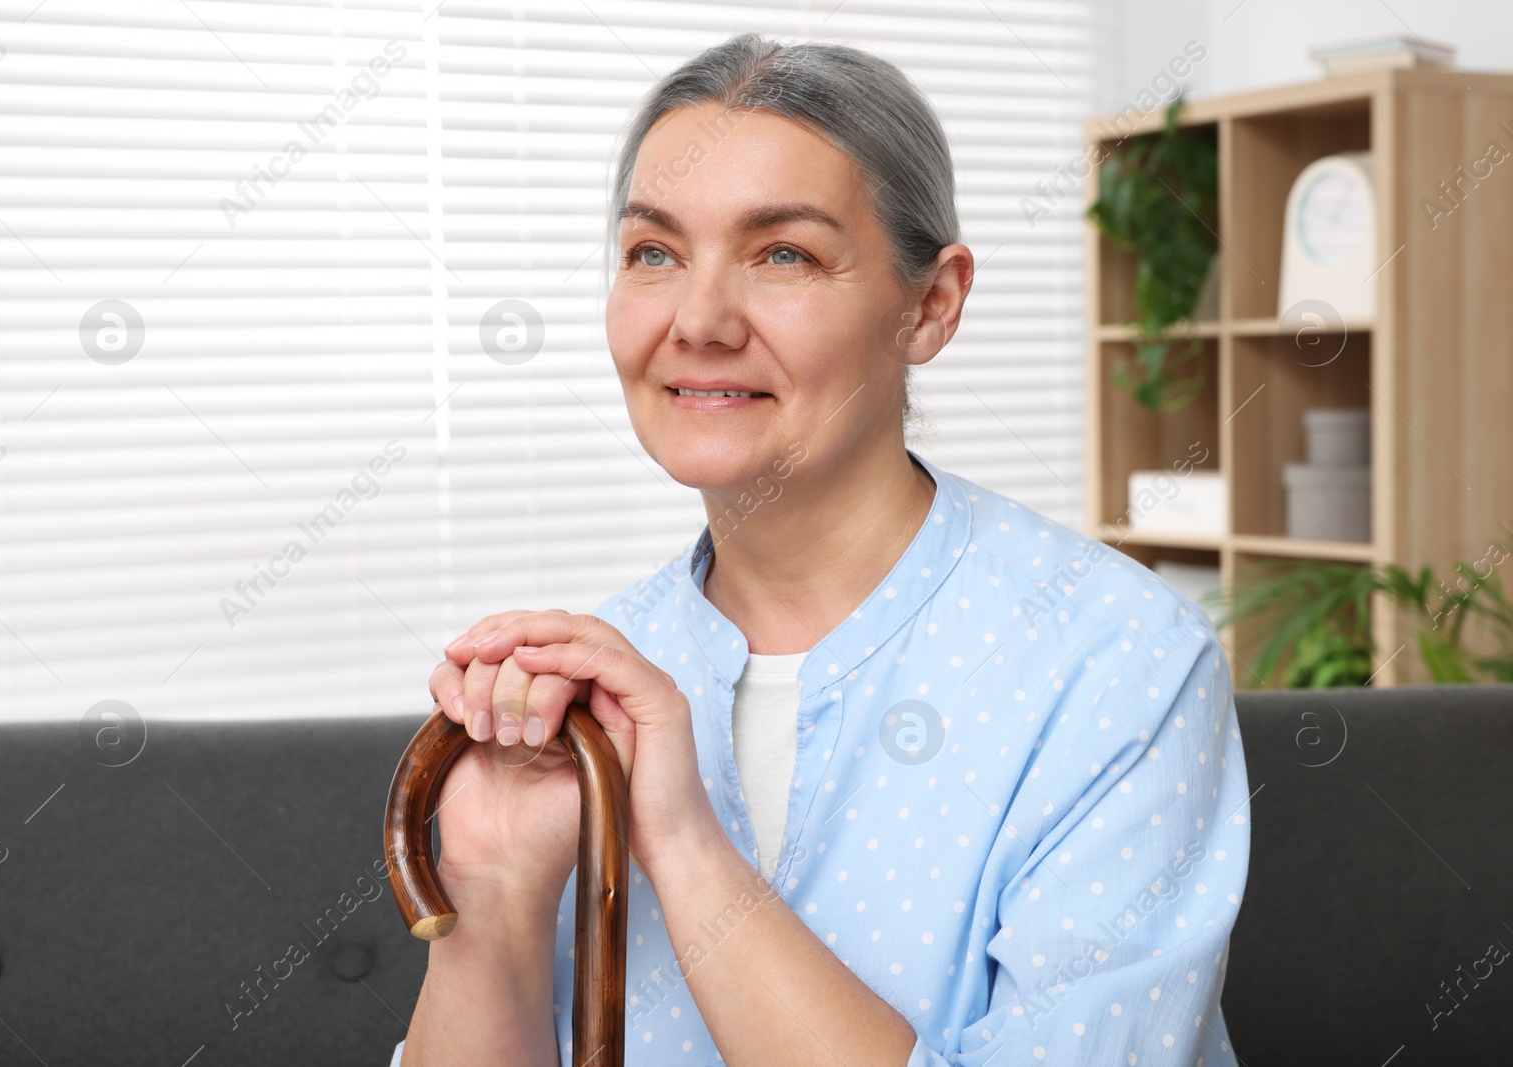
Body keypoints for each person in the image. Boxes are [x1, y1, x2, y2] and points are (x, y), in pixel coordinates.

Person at [395, 31, 1249, 1067]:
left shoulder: (1118, 660)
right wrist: (494, 889)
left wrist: (684, 840)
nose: (698, 320)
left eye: (782, 254)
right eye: (653, 252)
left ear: (929, 305)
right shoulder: (573, 697)